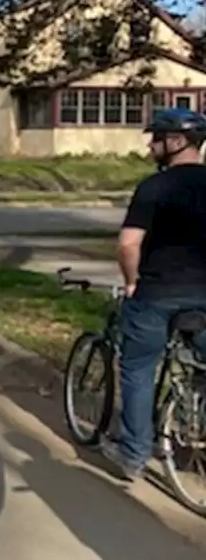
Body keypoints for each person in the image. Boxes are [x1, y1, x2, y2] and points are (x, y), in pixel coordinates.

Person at [105, 107, 206, 481]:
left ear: (177, 142)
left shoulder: (154, 187)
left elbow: (129, 245)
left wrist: (131, 281)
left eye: (157, 138)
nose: (151, 146)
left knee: (138, 369)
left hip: (157, 293)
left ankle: (133, 455)